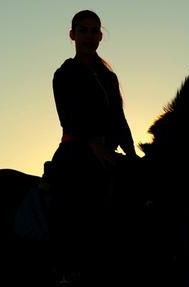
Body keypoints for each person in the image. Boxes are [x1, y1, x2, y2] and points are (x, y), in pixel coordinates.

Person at [48, 9, 137, 191]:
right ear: (72, 35)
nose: (89, 36)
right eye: (83, 30)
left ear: (100, 36)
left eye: (94, 31)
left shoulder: (108, 77)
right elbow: (69, 118)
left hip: (107, 153)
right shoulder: (64, 74)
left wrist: (131, 153)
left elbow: (118, 118)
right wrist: (94, 144)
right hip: (75, 153)